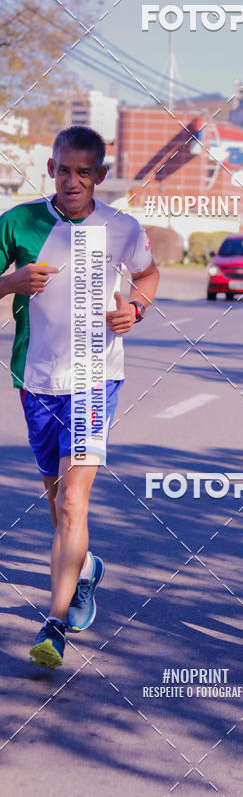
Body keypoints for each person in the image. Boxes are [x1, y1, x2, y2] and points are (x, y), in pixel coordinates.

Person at [0, 125, 160, 668]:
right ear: (50, 169)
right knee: (55, 496)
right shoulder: (19, 222)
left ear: (101, 175)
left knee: (72, 501)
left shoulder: (121, 227)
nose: (72, 181)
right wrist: (9, 283)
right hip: (37, 379)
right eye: (63, 170)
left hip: (96, 378)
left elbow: (149, 274)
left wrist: (135, 309)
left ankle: (54, 623)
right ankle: (86, 567)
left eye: (84, 172)